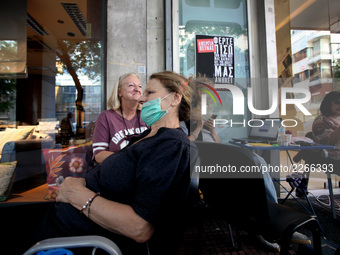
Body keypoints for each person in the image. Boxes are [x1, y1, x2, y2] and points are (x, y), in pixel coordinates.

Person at [35, 71, 193, 255]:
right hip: (59, 224)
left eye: (149, 92)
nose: (141, 97)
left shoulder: (170, 145)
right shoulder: (148, 137)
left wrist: (76, 195)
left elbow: (139, 228)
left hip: (72, 242)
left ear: (175, 98)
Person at [92, 72, 148, 164]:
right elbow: (99, 155)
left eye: (140, 86)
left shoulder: (146, 115)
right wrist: (128, 158)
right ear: (119, 92)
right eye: (131, 85)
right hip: (117, 172)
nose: (137, 89)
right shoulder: (106, 117)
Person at [312, 90, 340, 172]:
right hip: (331, 157)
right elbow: (326, 141)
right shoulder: (321, 120)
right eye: (337, 102)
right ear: (328, 103)